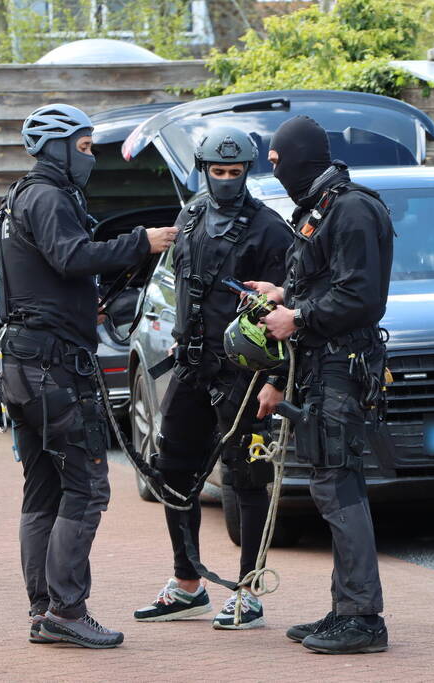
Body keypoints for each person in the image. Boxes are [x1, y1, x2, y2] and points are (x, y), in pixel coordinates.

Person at [0, 104, 177, 649]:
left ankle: (44, 610)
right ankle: (67, 610)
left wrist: (82, 308)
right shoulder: (48, 196)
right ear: (54, 146)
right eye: (81, 145)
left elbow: (42, 275)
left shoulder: (23, 197)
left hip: (25, 364)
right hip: (51, 369)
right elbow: (72, 256)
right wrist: (142, 242)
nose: (88, 155)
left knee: (43, 491)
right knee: (88, 487)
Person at [132, 126, 293, 630]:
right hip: (191, 367)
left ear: (248, 171)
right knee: (171, 472)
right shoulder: (191, 216)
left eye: (235, 172)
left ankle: (248, 592)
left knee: (245, 479)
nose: (226, 180)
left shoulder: (270, 229)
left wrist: (278, 378)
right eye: (218, 172)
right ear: (203, 170)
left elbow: (288, 312)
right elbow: (182, 288)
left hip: (244, 374)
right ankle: (187, 585)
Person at [247, 115, 393, 654]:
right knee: (330, 486)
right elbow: (326, 282)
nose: (277, 173)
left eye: (279, 163)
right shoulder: (319, 210)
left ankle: (363, 619)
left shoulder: (352, 209)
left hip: (342, 367)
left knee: (339, 486)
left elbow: (362, 297)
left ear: (300, 159)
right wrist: (284, 295)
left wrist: (298, 319)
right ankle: (344, 609)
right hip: (318, 367)